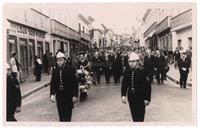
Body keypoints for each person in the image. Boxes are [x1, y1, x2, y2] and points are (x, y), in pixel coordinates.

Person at [121, 52, 151, 122]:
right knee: (134, 117)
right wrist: (123, 95)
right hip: (131, 97)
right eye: (130, 61)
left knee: (140, 117)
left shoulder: (143, 71)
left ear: (137, 61)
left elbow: (148, 86)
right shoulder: (127, 71)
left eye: (133, 61)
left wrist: (147, 98)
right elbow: (124, 84)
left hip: (141, 97)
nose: (131, 63)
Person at [50, 51, 78, 121]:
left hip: (68, 95)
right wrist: (52, 94)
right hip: (59, 96)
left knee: (68, 116)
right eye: (58, 60)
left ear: (64, 60)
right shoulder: (55, 71)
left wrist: (75, 95)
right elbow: (52, 83)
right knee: (61, 116)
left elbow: (75, 83)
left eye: (61, 60)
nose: (59, 62)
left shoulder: (70, 69)